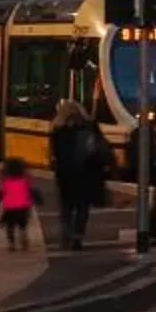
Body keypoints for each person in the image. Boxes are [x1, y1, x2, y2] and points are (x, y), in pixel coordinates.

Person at [49, 101, 107, 250]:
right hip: (85, 174)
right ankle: (77, 237)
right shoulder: (89, 126)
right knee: (82, 208)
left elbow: (54, 154)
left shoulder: (58, 129)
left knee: (66, 208)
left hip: (65, 176)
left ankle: (66, 236)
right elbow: (101, 147)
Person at [0, 158, 36, 251]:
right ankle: (23, 238)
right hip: (23, 206)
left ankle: (11, 244)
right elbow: (30, 191)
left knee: (10, 226)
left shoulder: (5, 181)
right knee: (22, 225)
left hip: (9, 207)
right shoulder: (25, 180)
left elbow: (0, 194)